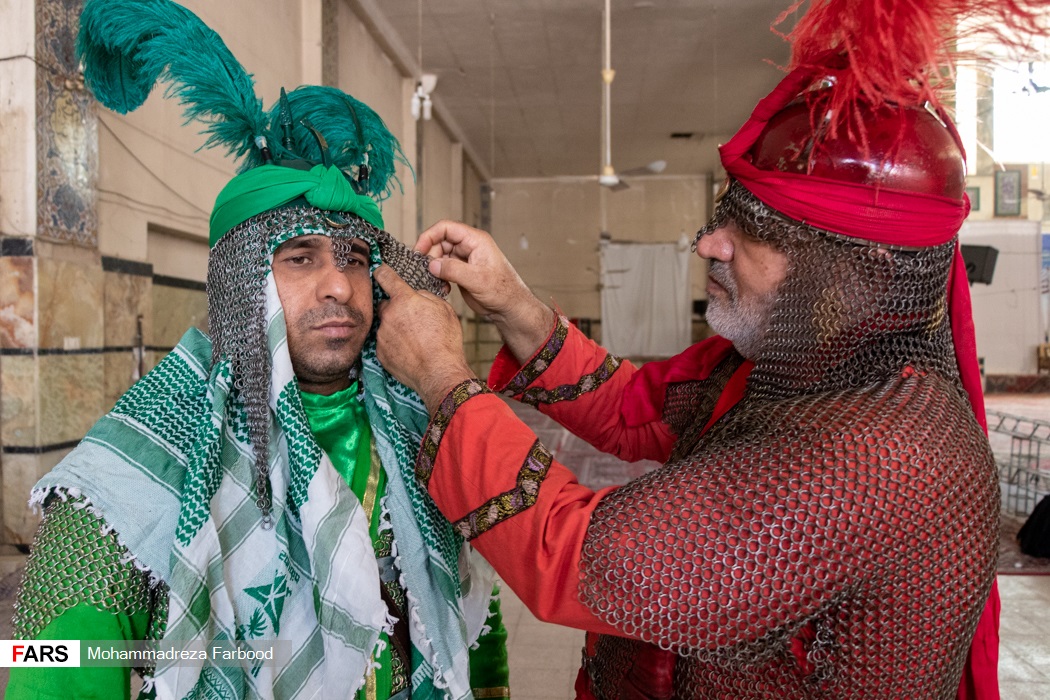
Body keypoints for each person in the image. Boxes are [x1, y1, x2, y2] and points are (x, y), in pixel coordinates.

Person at [371, 1, 1048, 698]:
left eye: (749, 230)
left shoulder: (875, 456)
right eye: (724, 217)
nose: (707, 244)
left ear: (849, 272)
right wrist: (515, 302)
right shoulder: (793, 371)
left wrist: (441, 376)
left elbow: (584, 560)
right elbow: (635, 408)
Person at [7, 1, 509, 699]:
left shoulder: (416, 425)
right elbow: (47, 660)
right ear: (241, 285)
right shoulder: (138, 463)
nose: (338, 284)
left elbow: (471, 623)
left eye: (355, 258)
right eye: (299, 258)